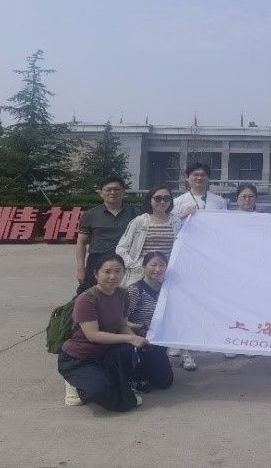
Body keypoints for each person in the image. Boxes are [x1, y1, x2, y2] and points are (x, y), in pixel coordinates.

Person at [58, 252, 148, 411]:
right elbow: (93, 335)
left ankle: (106, 379)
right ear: (96, 274)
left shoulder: (123, 294)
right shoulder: (87, 299)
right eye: (107, 272)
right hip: (78, 358)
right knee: (99, 391)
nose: (113, 276)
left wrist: (135, 340)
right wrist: (129, 339)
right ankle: (74, 382)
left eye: (118, 271)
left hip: (104, 353)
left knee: (127, 350)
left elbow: (122, 326)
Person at [75, 176, 141, 294]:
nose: (112, 192)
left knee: (127, 296)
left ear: (123, 191)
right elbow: (81, 242)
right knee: (90, 296)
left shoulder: (136, 213)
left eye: (117, 189)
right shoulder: (90, 215)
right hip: (97, 261)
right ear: (101, 193)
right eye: (108, 189)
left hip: (126, 262)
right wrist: (80, 268)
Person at [116, 185, 187, 287]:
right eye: (158, 198)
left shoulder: (176, 222)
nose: (162, 202)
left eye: (166, 198)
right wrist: (134, 265)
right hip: (140, 274)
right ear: (150, 200)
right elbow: (121, 248)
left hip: (167, 275)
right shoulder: (140, 221)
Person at [125, 251, 174, 393]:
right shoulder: (135, 290)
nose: (158, 269)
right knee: (160, 380)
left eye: (162, 265)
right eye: (153, 265)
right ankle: (133, 373)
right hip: (141, 340)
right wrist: (141, 327)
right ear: (144, 266)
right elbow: (121, 321)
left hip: (159, 340)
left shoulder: (166, 289)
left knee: (164, 382)